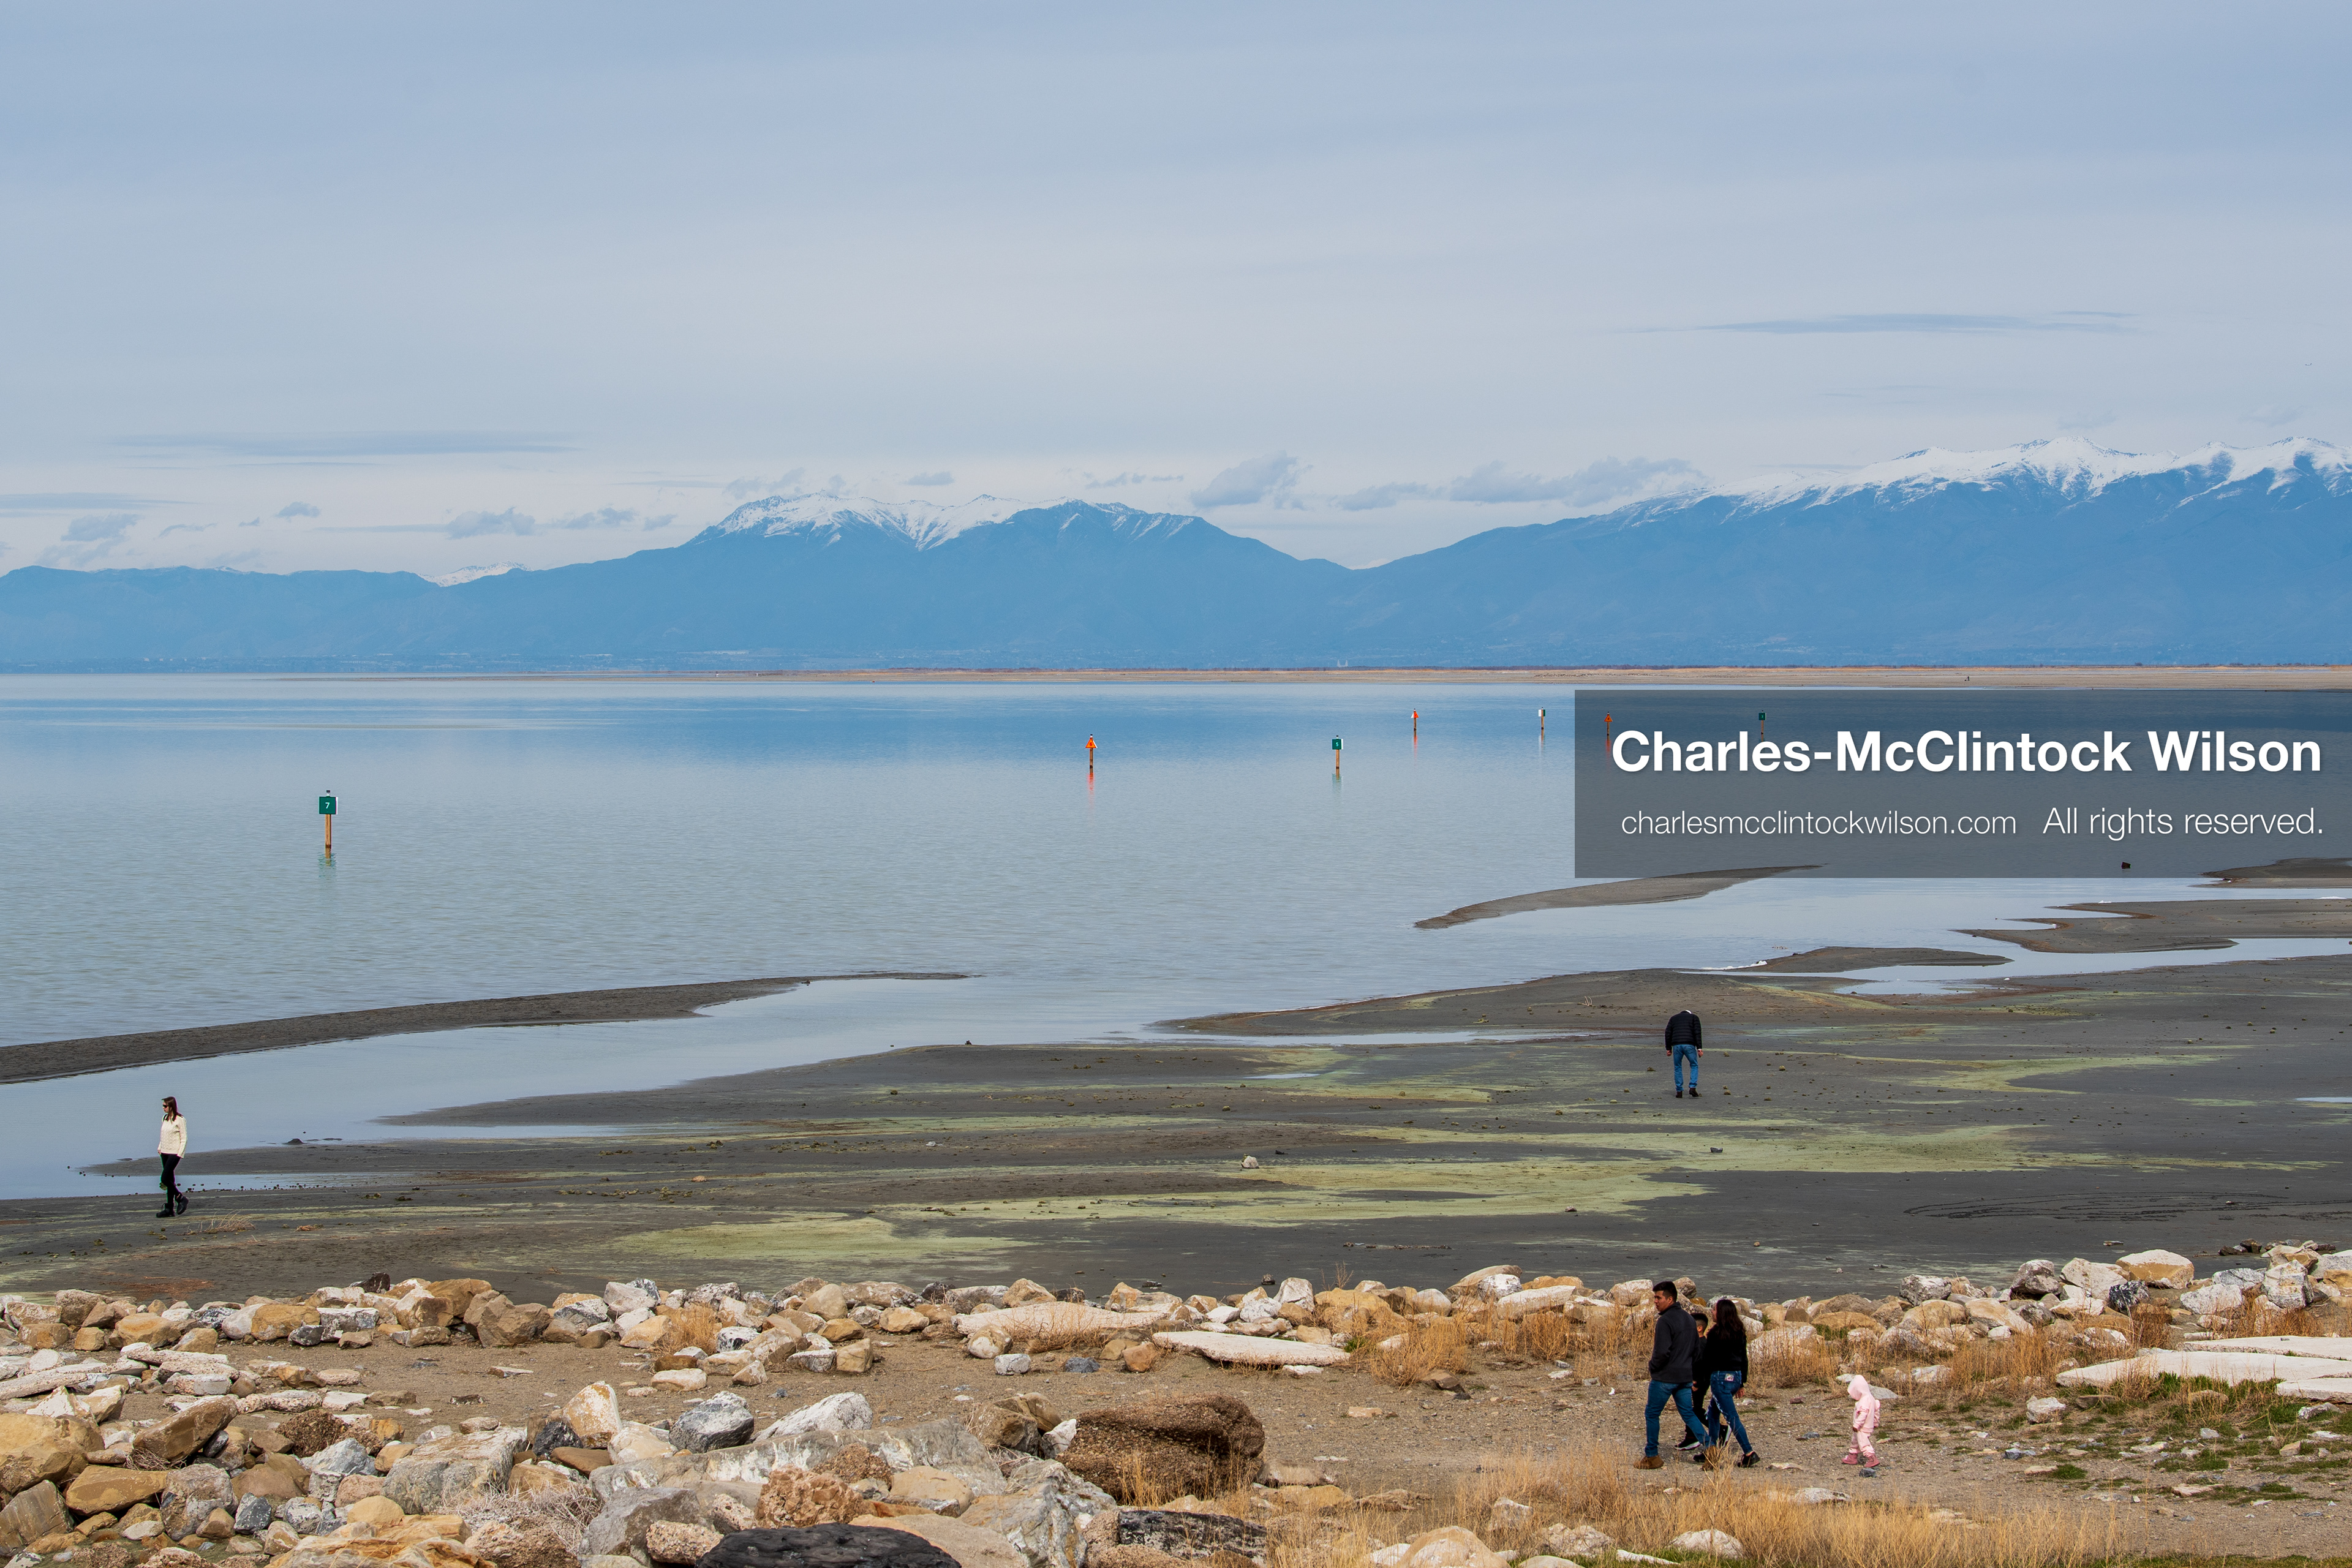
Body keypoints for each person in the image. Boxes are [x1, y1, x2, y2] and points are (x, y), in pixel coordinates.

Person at [1635, 1281, 1707, 1468]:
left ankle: (1652, 1456)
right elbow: (1697, 1351)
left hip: (1665, 1378)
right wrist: (1689, 1370)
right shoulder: (1690, 1320)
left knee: (1652, 1413)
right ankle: (1711, 1446)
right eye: (1655, 1298)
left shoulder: (1665, 1321)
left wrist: (1652, 1367)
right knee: (1688, 1414)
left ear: (1670, 1299)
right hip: (1684, 1377)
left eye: (1659, 1298)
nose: (1655, 1302)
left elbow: (1662, 1352)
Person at [1697, 1297, 1760, 1466]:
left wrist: (1698, 1381)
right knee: (1713, 1414)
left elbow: (1707, 1361)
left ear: (1722, 1313)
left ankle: (1749, 1452)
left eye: (1715, 1310)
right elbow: (1744, 1359)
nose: (1712, 1312)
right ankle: (1712, 1451)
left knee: (1731, 1417)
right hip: (1736, 1377)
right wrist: (1741, 1384)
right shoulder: (1739, 1332)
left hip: (1720, 1379)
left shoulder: (1715, 1334)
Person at [157, 1096, 189, 1217]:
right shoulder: (165, 1118)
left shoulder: (180, 1120)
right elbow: (164, 1135)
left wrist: (180, 1154)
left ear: (171, 1106)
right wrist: (160, 1147)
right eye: (163, 1106)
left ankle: (181, 1198)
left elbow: (184, 1138)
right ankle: (169, 1209)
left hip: (175, 1153)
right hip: (164, 1152)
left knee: (164, 1179)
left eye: (165, 1106)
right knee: (170, 1179)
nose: (163, 1108)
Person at [1842, 1373, 1881, 1471]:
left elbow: (1863, 1414)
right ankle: (1852, 1456)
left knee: (1864, 1443)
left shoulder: (1864, 1400)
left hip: (1862, 1427)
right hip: (1866, 1426)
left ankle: (1872, 1458)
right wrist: (1875, 1423)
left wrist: (1857, 1425)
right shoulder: (1871, 1398)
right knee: (1855, 1441)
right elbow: (1876, 1411)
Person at [1665, 1009, 1702, 1098]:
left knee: (1678, 1067)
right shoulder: (1694, 1018)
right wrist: (1699, 1048)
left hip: (1677, 1045)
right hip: (1689, 1045)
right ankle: (1693, 1087)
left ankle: (1679, 1091)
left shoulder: (1673, 1018)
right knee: (1694, 1065)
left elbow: (1668, 1033)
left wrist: (1669, 1048)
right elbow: (1697, 1033)